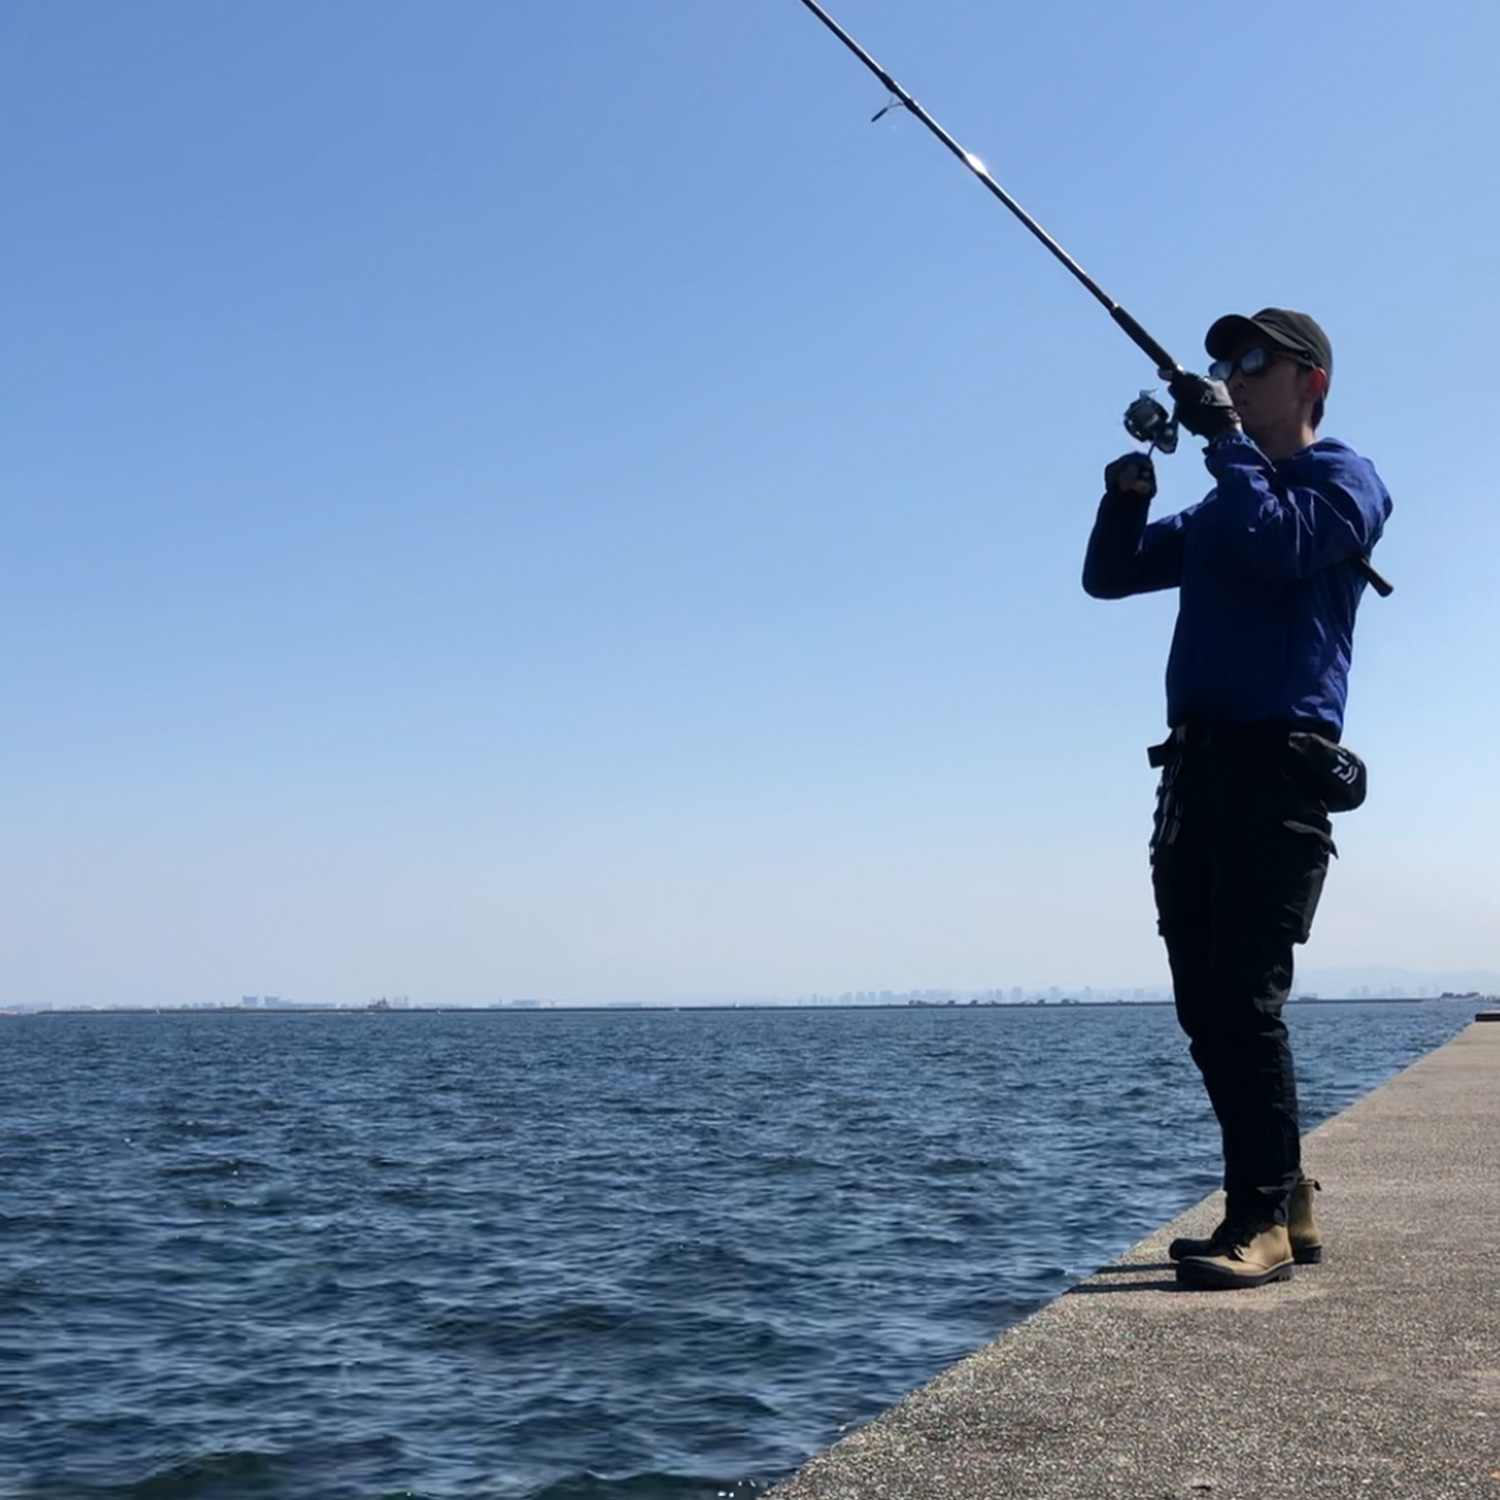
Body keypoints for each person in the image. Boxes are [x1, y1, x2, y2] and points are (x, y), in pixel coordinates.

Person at [1082, 308, 1392, 1290]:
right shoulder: (1225, 501)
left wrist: (1221, 439)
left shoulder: (1341, 479)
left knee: (1241, 1000)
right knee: (1201, 1006)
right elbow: (1111, 576)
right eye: (1223, 363)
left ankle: (1257, 1219)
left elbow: (1276, 543)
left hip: (1277, 773)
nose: (1232, 374)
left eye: (1255, 360)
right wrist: (1127, 496)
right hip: (1194, 775)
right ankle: (1284, 1194)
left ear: (1312, 380)